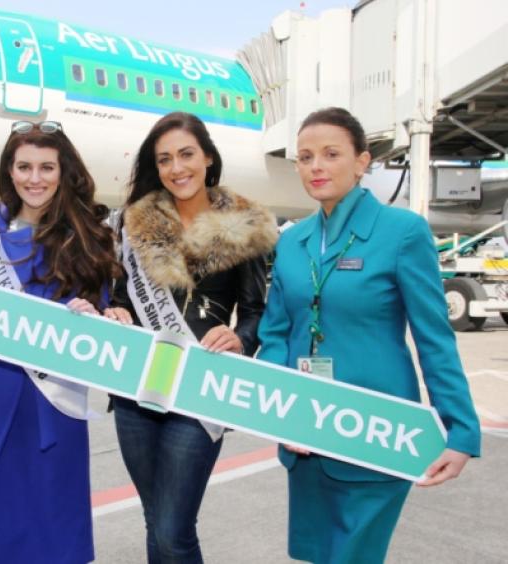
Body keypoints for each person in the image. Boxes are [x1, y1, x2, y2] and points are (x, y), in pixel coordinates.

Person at [257, 107, 481, 563]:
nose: (315, 166)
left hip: (376, 429)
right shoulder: (292, 242)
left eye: (330, 153)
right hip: (305, 433)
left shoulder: (401, 233)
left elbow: (434, 337)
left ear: (362, 162)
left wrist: (459, 430)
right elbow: (275, 334)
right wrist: (278, 412)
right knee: (317, 556)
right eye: (304, 157)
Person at [104, 112, 278, 563]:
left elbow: (258, 309)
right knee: (155, 519)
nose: (176, 168)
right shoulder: (134, 222)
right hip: (137, 386)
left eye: (185, 155)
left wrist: (240, 337)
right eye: (164, 160)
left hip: (201, 387)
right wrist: (116, 308)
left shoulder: (245, 223)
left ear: (207, 158)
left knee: (173, 529)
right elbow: (120, 292)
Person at [0, 120, 120, 564]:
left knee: (49, 533)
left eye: (47, 167)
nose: (34, 178)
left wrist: (94, 318)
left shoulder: (89, 238)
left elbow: (102, 320)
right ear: (9, 170)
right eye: (24, 166)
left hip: (49, 405)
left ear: (64, 173)